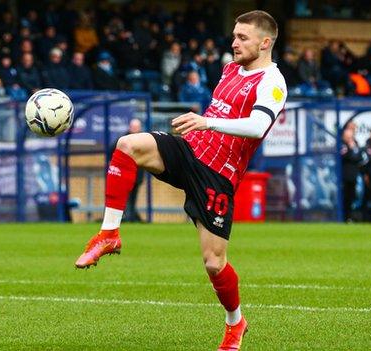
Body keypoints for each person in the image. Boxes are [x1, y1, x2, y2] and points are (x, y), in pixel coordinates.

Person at [75, 11, 287, 350]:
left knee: (214, 264)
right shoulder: (230, 68)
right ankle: (109, 234)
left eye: (243, 38)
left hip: (218, 176)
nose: (234, 42)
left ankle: (236, 322)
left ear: (265, 43)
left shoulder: (273, 82)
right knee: (127, 145)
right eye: (234, 35)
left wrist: (208, 123)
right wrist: (204, 126)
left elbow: (258, 127)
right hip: (191, 150)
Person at [340, 125, 366, 222]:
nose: (350, 138)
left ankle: (349, 217)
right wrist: (351, 150)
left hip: (353, 175)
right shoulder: (342, 144)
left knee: (351, 197)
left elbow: (359, 157)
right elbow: (347, 157)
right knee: (344, 197)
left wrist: (353, 153)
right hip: (344, 176)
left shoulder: (356, 144)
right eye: (348, 136)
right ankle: (343, 217)